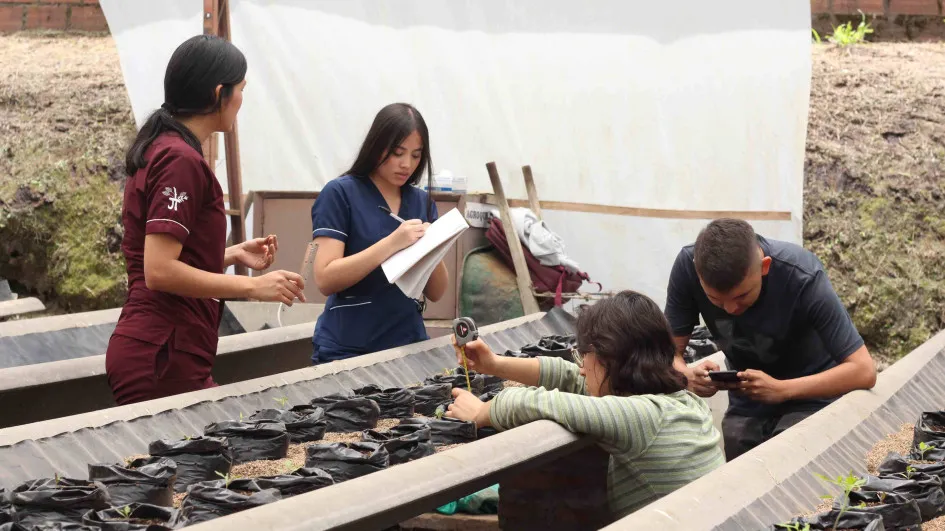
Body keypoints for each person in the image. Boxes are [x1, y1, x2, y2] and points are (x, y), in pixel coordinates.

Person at [105, 35, 306, 406]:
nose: (243, 100)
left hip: (170, 349)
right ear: (219, 93)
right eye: (241, 90)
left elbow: (167, 259)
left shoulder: (166, 148)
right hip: (162, 351)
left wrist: (230, 256)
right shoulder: (179, 159)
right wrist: (252, 288)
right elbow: (159, 271)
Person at [445, 290, 725, 520]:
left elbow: (533, 402)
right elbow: (570, 377)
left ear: (608, 359)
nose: (580, 369)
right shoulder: (680, 400)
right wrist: (494, 364)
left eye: (583, 356)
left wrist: (482, 411)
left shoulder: (642, 417)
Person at [665, 218, 877, 461]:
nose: (731, 308)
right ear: (697, 272)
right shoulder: (686, 267)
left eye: (742, 295)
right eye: (715, 300)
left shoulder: (802, 275)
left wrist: (781, 389)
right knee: (739, 461)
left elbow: (863, 370)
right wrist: (685, 375)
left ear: (764, 267)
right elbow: (666, 353)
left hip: (812, 398)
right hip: (748, 401)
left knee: (788, 457)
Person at [310, 103, 448, 364]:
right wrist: (393, 243)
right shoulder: (340, 194)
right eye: (398, 153)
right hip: (348, 348)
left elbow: (437, 292)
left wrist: (434, 246)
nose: (407, 164)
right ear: (376, 146)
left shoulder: (421, 202)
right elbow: (325, 278)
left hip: (407, 345)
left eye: (416, 155)